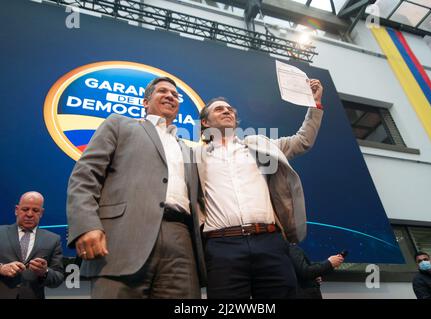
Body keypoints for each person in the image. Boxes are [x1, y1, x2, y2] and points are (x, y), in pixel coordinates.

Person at [66, 76, 206, 299]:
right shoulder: (119, 124)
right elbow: (86, 174)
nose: (170, 96)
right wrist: (86, 225)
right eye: (163, 91)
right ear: (145, 101)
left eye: (175, 94)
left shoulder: (188, 150)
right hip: (121, 237)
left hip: (181, 241)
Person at [195, 79, 325, 299]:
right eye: (219, 109)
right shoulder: (195, 158)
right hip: (221, 247)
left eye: (230, 110)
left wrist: (315, 104)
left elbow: (303, 140)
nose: (227, 111)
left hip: (269, 242)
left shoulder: (259, 145)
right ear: (206, 123)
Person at [0, 191, 64, 299]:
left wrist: (45, 272)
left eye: (35, 210)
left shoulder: (53, 239)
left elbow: (58, 278)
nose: (29, 214)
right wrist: (1, 269)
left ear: (41, 213)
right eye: (25, 209)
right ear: (16, 210)